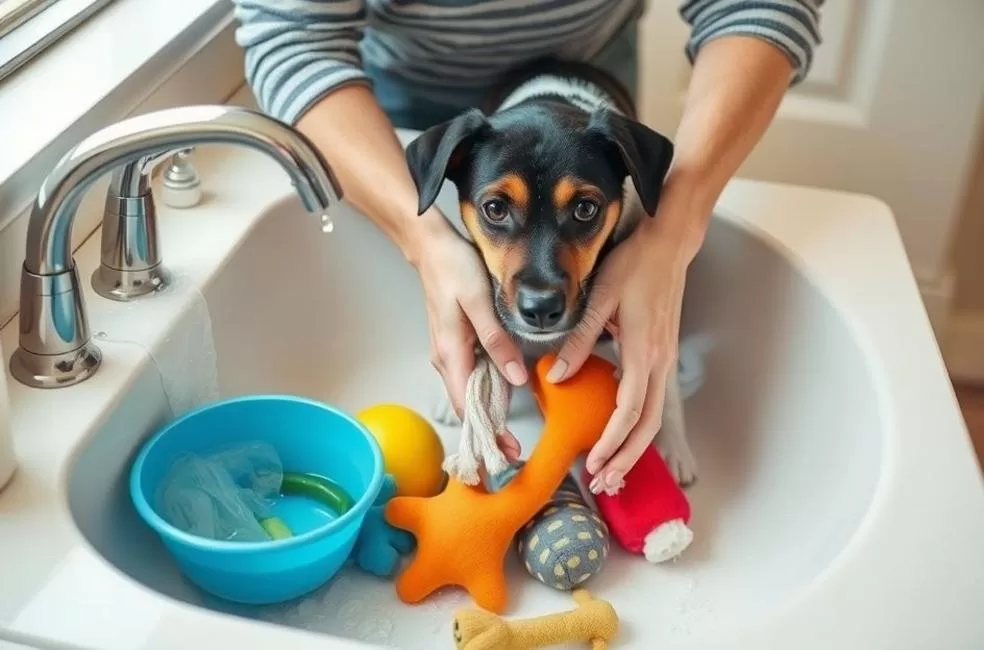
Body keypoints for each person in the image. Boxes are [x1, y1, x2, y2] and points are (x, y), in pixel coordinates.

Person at [233, 0, 823, 488]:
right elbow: (292, 39)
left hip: (596, 76)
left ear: (624, 182)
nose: (542, 277)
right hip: (396, 98)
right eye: (496, 211)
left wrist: (673, 228)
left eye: (585, 212)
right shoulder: (459, 160)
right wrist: (424, 239)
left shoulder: (615, 159)